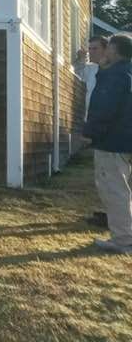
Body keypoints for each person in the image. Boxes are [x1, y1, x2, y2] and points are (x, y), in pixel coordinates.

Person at [83, 33, 132, 254]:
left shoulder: (116, 76)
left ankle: (123, 240)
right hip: (122, 141)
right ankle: (124, 235)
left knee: (114, 190)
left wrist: (89, 133)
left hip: (112, 142)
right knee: (121, 189)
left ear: (116, 50)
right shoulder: (123, 73)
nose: (106, 51)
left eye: (109, 47)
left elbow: (104, 108)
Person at [76, 35, 110, 228]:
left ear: (107, 49)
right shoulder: (91, 69)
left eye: (95, 48)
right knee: (102, 174)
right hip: (95, 124)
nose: (91, 52)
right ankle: (108, 212)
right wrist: (81, 59)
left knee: (112, 175)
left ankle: (115, 216)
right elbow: (78, 72)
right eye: (89, 48)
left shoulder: (113, 71)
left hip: (107, 128)